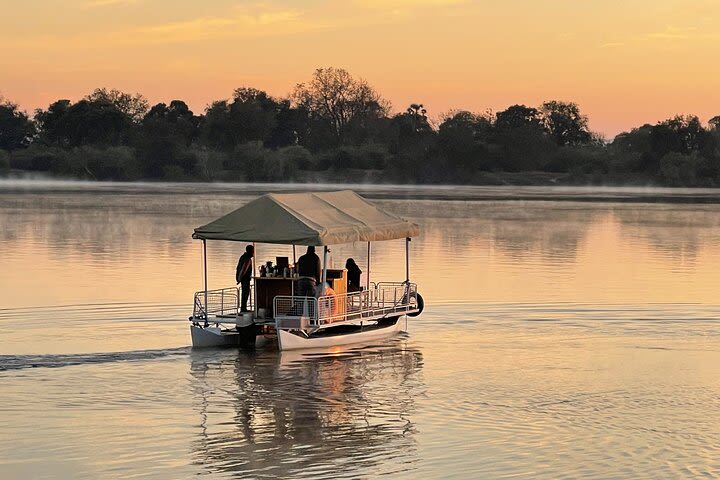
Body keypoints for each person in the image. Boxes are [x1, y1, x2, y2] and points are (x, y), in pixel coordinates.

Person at [235, 245, 254, 311]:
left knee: (245, 292)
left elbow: (239, 268)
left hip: (243, 278)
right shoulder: (247, 259)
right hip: (245, 278)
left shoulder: (243, 257)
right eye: (253, 251)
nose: (253, 252)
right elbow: (243, 269)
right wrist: (239, 279)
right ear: (250, 251)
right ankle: (243, 308)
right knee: (245, 293)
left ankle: (243, 307)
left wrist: (238, 278)